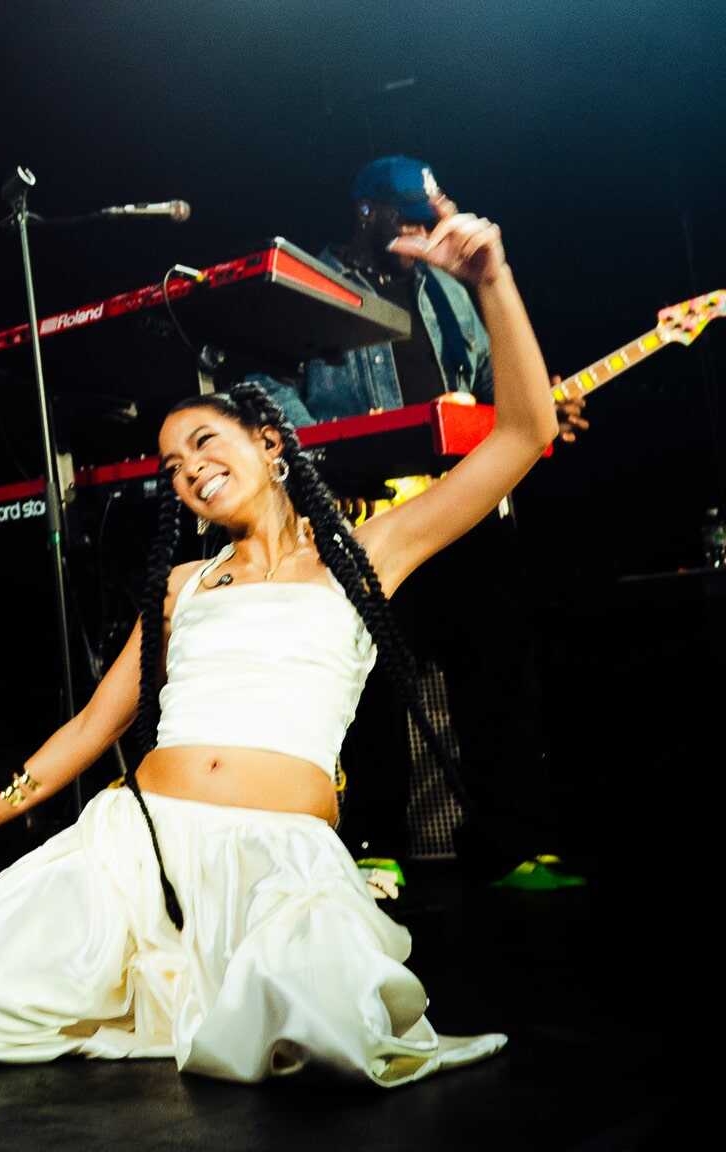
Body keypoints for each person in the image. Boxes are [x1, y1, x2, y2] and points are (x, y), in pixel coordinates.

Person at [0, 200, 552, 1087]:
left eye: (202, 443)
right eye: (171, 468)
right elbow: (90, 727)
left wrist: (491, 280)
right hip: (132, 852)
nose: (187, 471)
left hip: (278, 859)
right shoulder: (185, 587)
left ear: (269, 443)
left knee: (319, 1035)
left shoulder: (369, 554)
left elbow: (525, 434)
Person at [246, 156, 583, 890]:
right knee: (371, 685)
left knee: (495, 672)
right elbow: (268, 386)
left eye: (423, 211)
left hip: (461, 500)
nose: (413, 224)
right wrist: (326, 465)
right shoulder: (319, 285)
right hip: (368, 506)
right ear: (361, 210)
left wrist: (543, 398)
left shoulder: (449, 285)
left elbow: (493, 374)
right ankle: (373, 841)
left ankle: (513, 844)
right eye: (397, 210)